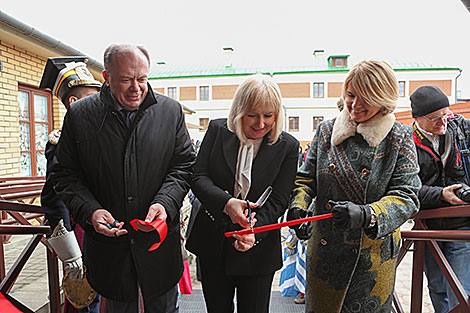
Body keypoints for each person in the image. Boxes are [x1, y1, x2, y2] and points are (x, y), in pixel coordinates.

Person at [51, 44, 196, 313]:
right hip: (110, 248)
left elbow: (184, 166)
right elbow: (65, 175)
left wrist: (165, 202)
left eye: (142, 79)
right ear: (106, 77)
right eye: (126, 80)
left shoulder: (170, 112)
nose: (136, 88)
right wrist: (91, 211)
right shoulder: (80, 115)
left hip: (158, 243)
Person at [287, 60, 421, 313]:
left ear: (383, 99)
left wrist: (368, 214)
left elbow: (408, 195)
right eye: (351, 95)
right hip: (325, 255)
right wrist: (297, 207)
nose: (355, 105)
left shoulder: (399, 137)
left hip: (372, 261)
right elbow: (305, 180)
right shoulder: (326, 130)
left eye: (366, 98)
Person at [186, 74, 299, 313]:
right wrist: (226, 203)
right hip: (213, 242)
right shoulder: (217, 129)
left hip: (258, 249)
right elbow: (198, 177)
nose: (260, 123)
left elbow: (279, 199)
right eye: (252, 115)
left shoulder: (288, 145)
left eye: (268, 116)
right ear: (239, 111)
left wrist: (254, 232)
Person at [39, 56, 101, 313]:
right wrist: (70, 253)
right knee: (85, 300)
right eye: (92, 96)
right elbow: (53, 198)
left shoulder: (100, 134)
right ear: (74, 102)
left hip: (105, 228)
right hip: (81, 233)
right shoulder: (61, 142)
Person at [410, 85, 470, 313]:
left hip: (462, 226)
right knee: (436, 287)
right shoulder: (406, 142)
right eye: (434, 118)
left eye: (446, 114)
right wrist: (441, 194)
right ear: (417, 118)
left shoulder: (462, 129)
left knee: (460, 291)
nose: (442, 122)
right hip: (427, 228)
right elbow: (406, 189)